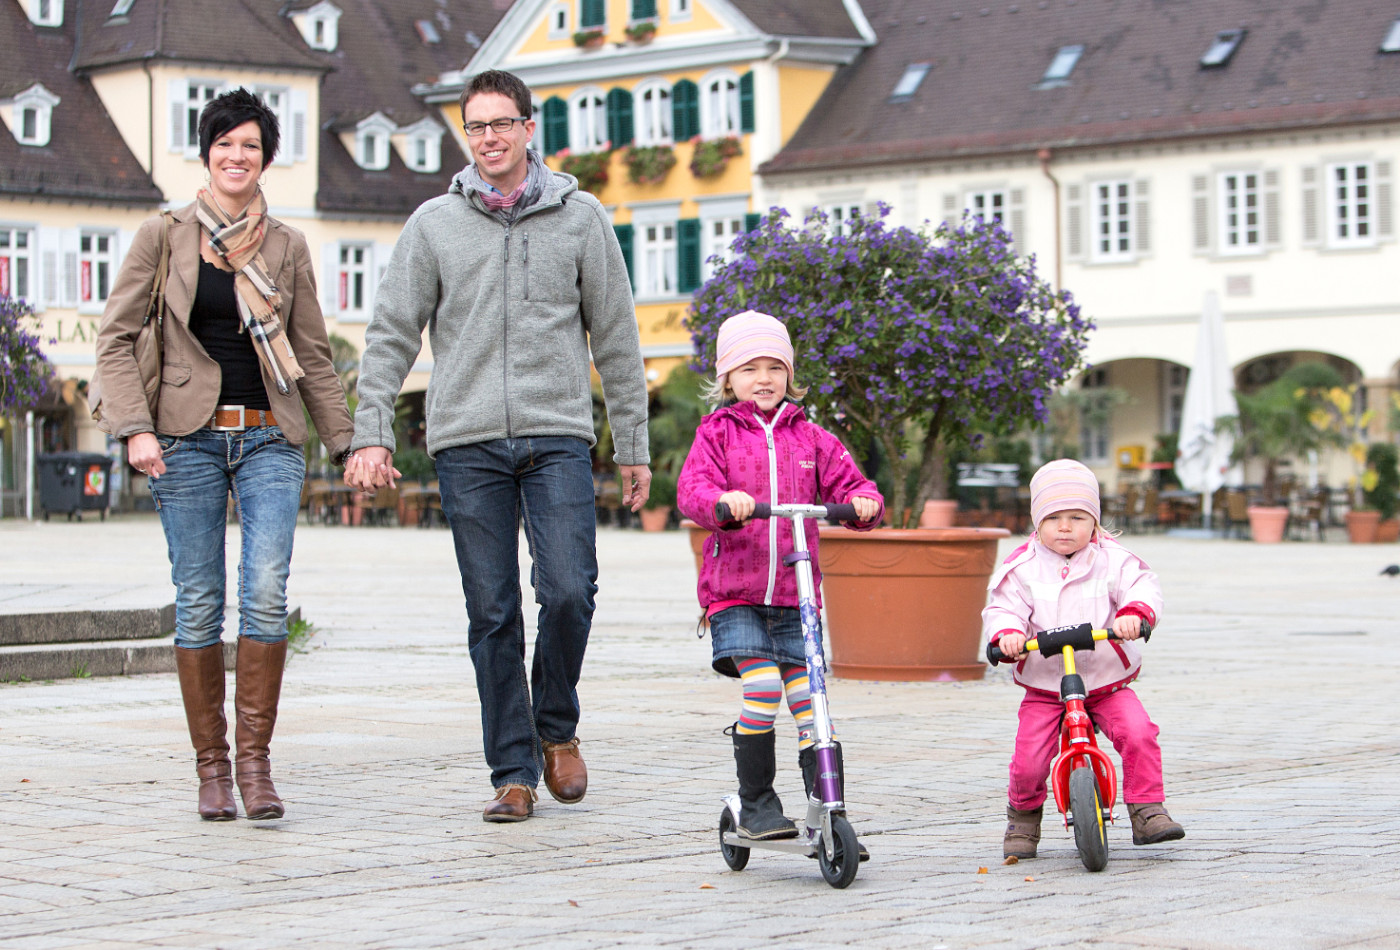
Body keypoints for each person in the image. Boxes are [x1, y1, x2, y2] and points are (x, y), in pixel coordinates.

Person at [344, 69, 651, 823]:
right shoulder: (432, 226)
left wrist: (633, 443)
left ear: (527, 128)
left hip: (557, 435)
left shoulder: (582, 219)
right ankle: (512, 771)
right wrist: (372, 430)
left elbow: (616, 336)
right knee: (492, 610)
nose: (489, 139)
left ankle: (557, 726)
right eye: (475, 127)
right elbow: (389, 334)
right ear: (466, 135)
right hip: (467, 441)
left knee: (571, 589)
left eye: (501, 124)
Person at [94, 89, 355, 821]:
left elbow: (313, 355)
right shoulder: (164, 234)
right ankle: (211, 768)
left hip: (270, 431)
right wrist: (135, 428)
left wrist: (349, 441)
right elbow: (114, 340)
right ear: (205, 153)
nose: (237, 156)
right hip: (184, 435)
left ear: (266, 158)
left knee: (266, 588)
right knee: (201, 598)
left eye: (250, 146)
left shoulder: (287, 245)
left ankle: (255, 765)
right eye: (224, 144)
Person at [676, 310, 883, 842]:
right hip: (736, 597)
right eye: (749, 368)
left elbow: (856, 485)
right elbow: (692, 492)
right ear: (727, 379)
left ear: (790, 375)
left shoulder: (813, 438)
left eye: (774, 367)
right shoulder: (716, 434)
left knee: (813, 704)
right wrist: (723, 502)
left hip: (797, 602)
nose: (763, 379)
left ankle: (828, 808)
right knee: (764, 687)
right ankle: (757, 803)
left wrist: (863, 504)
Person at [984, 459, 1186, 858]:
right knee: (1029, 759)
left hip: (1106, 682)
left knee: (1139, 732)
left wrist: (1134, 614)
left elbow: (1142, 586)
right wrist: (1007, 635)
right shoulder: (1021, 568)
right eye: (1054, 517)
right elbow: (1003, 607)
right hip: (1045, 685)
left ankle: (1147, 809)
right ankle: (1023, 820)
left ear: (1093, 523)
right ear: (1036, 522)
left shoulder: (1113, 560)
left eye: (1077, 517)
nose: (1065, 527)